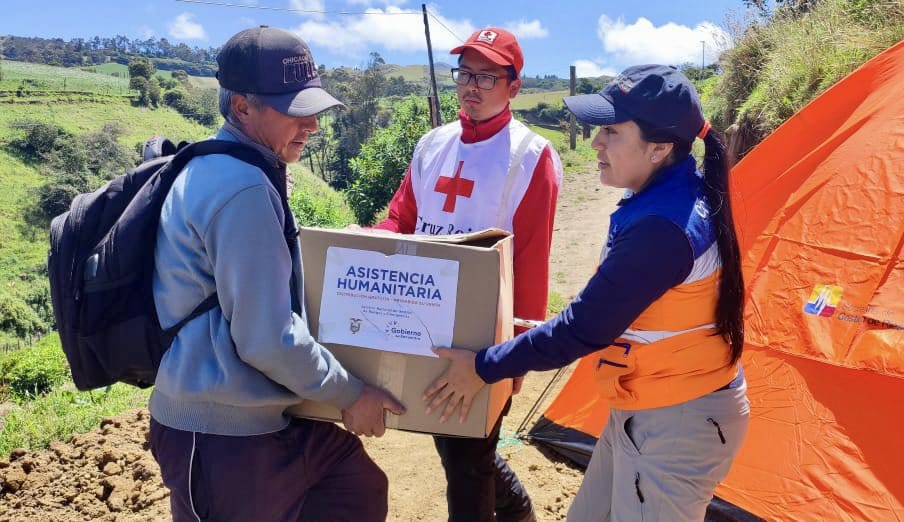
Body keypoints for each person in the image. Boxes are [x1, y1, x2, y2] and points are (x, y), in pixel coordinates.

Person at [424, 65, 750, 522]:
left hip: (678, 422)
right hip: (647, 406)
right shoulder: (664, 199)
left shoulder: (663, 227)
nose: (596, 142)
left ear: (659, 148)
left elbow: (583, 327)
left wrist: (482, 367)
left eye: (612, 131)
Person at [149, 26, 404, 522]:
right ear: (242, 107)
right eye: (294, 109)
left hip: (268, 419)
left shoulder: (228, 166)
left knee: (357, 489)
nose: (310, 125)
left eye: (312, 109)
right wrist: (352, 394)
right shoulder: (241, 187)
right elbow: (265, 338)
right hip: (222, 437)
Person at [373, 27, 562, 522]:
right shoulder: (432, 144)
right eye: (465, 74)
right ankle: (517, 508)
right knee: (450, 440)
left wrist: (514, 357)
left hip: (483, 333)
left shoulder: (531, 157)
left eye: (486, 76)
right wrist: (364, 240)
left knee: (467, 460)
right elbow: (400, 220)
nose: (471, 87)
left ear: (513, 87)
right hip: (420, 317)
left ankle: (512, 509)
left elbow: (533, 261)